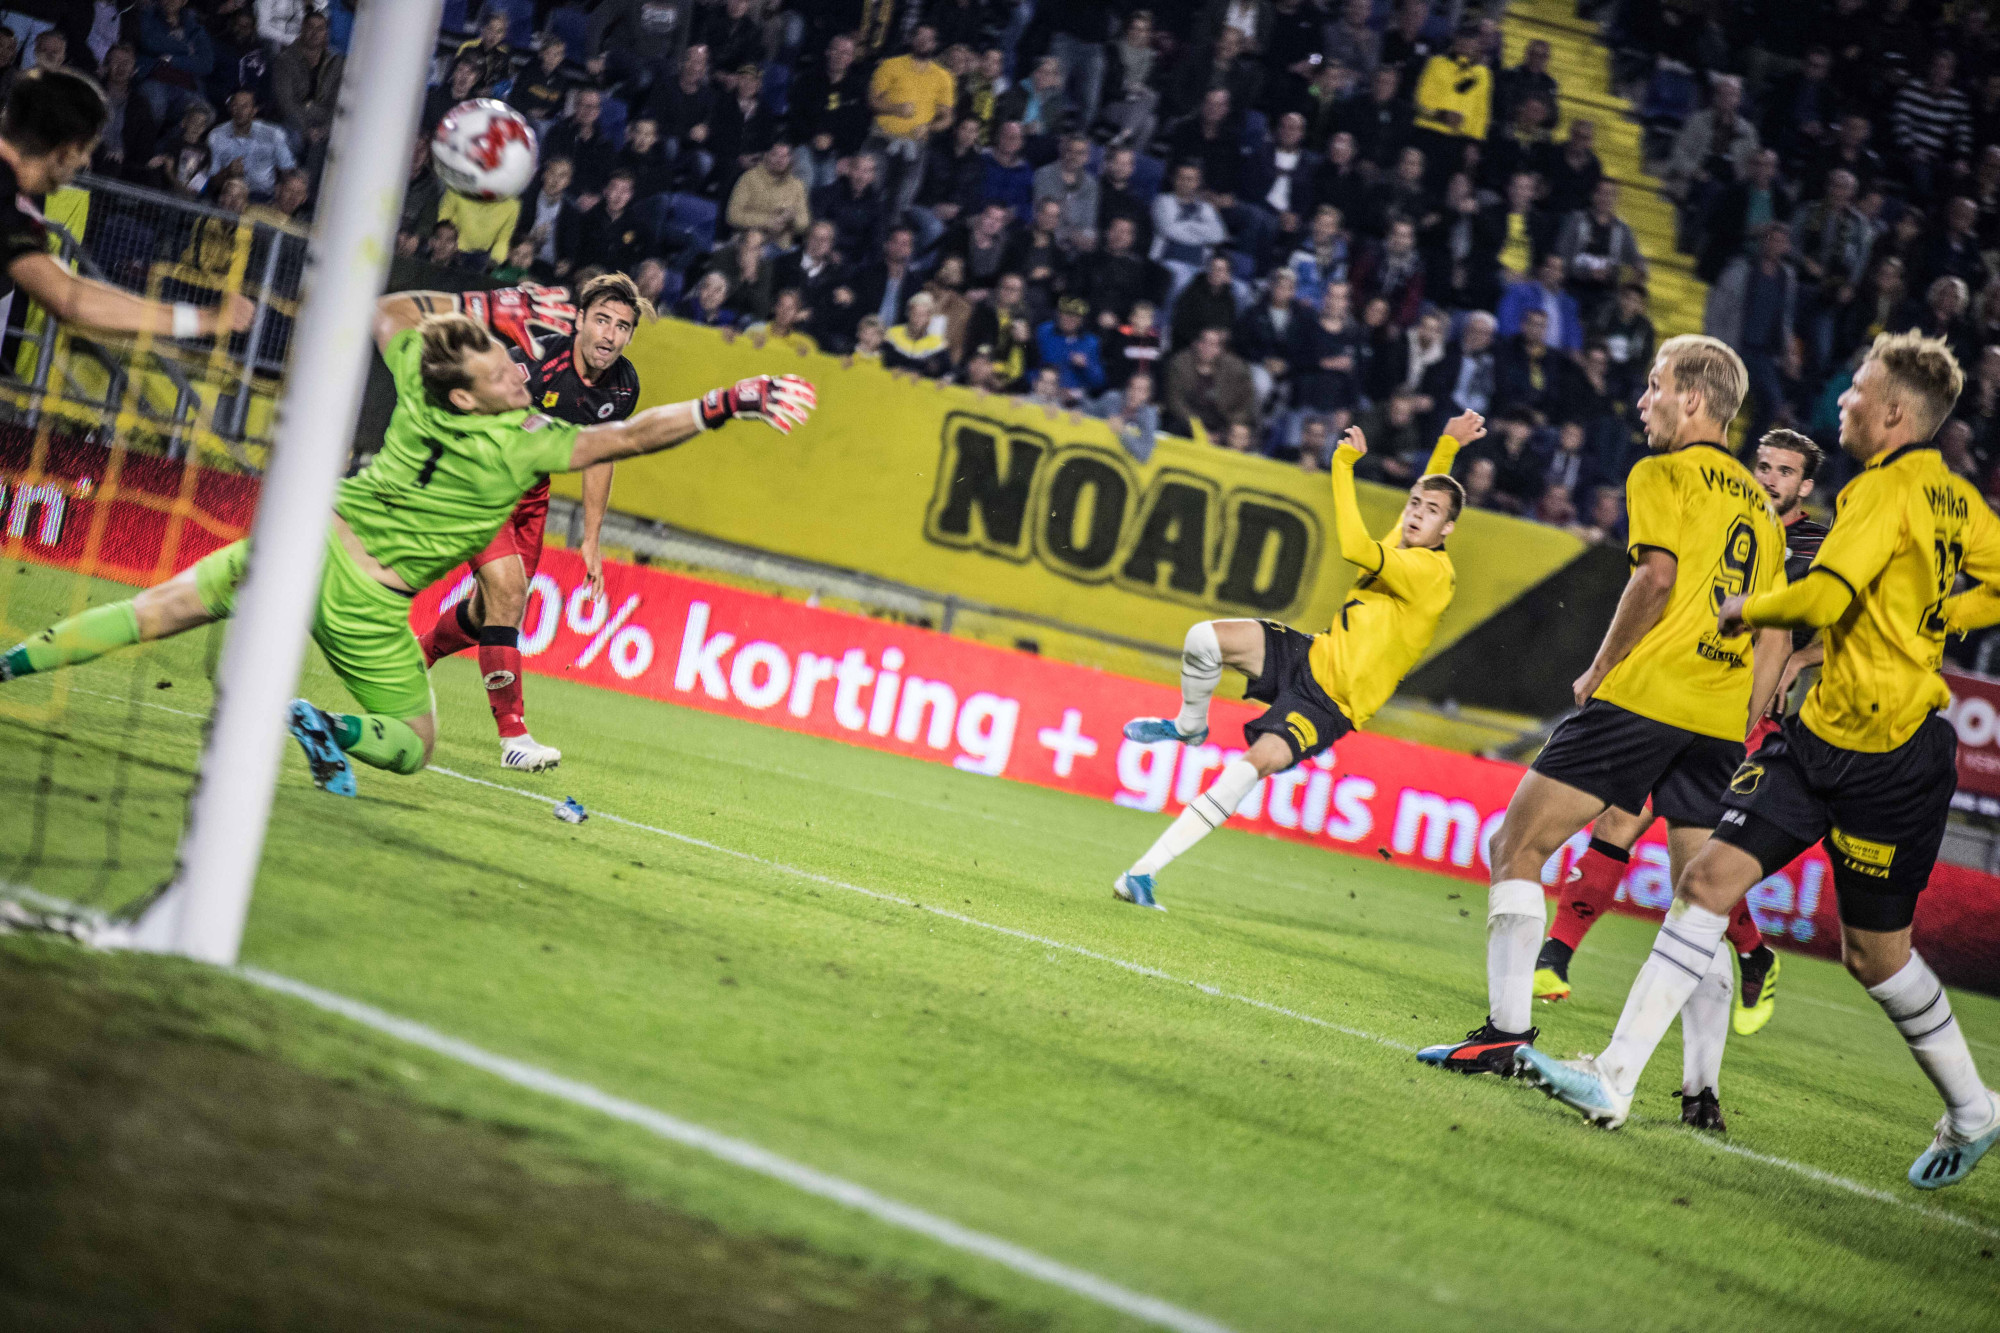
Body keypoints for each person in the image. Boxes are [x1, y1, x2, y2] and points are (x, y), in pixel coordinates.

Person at [1518, 333, 2000, 1193]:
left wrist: (1749, 606)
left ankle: (1973, 1108)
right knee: (1706, 880)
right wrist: (1938, 615)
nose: (1844, 399)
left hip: (1892, 756)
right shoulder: (1959, 500)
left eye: (1858, 388)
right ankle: (1614, 1077)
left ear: (1894, 411)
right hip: (1815, 735)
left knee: (1875, 955)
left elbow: (1824, 595)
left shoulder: (1879, 492)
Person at [1, 290, 816, 795]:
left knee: (157, 608)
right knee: (415, 745)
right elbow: (633, 437)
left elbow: (391, 309)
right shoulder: (520, 447)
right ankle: (332, 724)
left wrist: (488, 301)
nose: (515, 367)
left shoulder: (421, 388)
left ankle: (10, 664)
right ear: (470, 395)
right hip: (366, 605)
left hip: (302, 543)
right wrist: (728, 401)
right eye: (499, 366)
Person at [1417, 336, 1791, 1089]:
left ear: (1693, 399)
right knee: (1702, 902)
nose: (1644, 402)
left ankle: (1505, 1034)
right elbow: (1775, 631)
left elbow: (1655, 578)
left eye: (1656, 386)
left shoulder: (1662, 471)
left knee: (1516, 844)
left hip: (1646, 696)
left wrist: (1600, 666)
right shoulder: (1764, 507)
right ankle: (1701, 1089)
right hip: (1718, 718)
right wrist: (1743, 719)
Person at [1108, 411, 1485, 909]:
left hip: (1329, 704)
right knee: (1203, 639)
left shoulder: (1429, 572)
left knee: (1247, 769)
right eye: (1414, 504)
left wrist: (1343, 466)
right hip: (1311, 653)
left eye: (1431, 511)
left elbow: (1354, 546)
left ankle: (1142, 873)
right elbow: (1429, 489)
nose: (1417, 513)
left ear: (1448, 528)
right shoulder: (1409, 535)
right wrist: (1447, 445)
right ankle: (1188, 726)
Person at [1530, 429, 1830, 1052]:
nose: (1770, 478)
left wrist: (1798, 662)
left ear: (1805, 485)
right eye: (1764, 465)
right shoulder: (1732, 514)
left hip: (1748, 715)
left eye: (1785, 471)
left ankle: (1752, 955)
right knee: (1621, 817)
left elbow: (1855, 623)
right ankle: (1555, 956)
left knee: (1696, 865)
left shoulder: (1816, 546)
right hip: (1685, 694)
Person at [415, 273, 648, 770]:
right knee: (508, 595)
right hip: (484, 481)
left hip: (532, 495)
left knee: (489, 612)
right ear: (579, 320)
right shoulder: (534, 358)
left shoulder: (624, 385)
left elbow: (600, 455)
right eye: (601, 320)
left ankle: (415, 658)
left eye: (622, 326)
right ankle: (513, 736)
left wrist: (591, 538)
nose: (609, 335)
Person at [0, 68, 250, 338]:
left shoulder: (11, 195)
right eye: (85, 148)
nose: (85, 161)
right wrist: (203, 320)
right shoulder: (3, 192)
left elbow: (69, 290)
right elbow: (69, 300)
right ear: (65, 144)